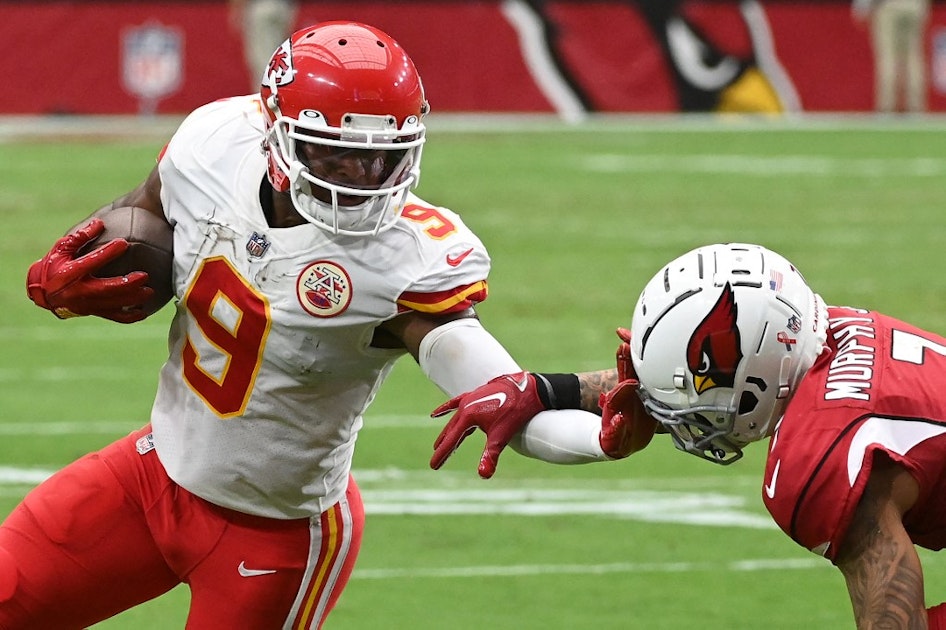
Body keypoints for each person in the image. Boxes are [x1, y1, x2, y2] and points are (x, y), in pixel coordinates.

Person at [7, 21, 629, 629]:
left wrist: (600, 428)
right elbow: (143, 213)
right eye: (337, 155)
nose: (361, 181)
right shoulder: (215, 143)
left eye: (379, 161)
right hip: (152, 476)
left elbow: (506, 404)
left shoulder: (403, 257)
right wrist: (72, 270)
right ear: (275, 135)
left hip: (276, 536)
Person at [432, 242, 946, 628]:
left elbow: (893, 604)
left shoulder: (820, 459)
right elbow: (709, 380)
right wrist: (545, 389)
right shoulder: (822, 333)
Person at [852, 0, 931, 113]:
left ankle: (887, 106)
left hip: (888, 6)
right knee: (914, 58)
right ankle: (916, 106)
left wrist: (862, 6)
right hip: (915, 5)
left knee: (887, 57)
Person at [229, 0, 298, 91]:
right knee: (280, 58)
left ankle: (267, 98)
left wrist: (236, 8)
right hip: (284, 7)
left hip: (260, 7)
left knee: (263, 61)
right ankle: (279, 96)